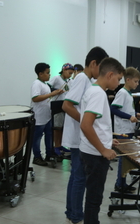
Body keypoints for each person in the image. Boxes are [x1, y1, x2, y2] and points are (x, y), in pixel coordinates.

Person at [62, 47, 109, 224]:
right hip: (78, 137)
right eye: (102, 67)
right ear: (93, 64)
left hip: (80, 135)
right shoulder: (82, 78)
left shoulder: (86, 80)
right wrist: (87, 123)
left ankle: (71, 210)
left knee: (76, 176)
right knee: (80, 178)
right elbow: (67, 106)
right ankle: (75, 214)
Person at [80, 57, 125, 224]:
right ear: (110, 75)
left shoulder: (93, 90)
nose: (119, 83)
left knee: (93, 196)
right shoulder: (98, 94)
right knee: (94, 198)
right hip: (95, 155)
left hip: (90, 150)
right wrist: (103, 149)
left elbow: (97, 125)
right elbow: (86, 125)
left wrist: (108, 140)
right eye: (119, 79)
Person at [110, 67, 140, 192]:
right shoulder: (122, 92)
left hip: (128, 128)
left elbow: (126, 108)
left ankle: (123, 183)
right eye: (135, 81)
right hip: (122, 130)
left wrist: (136, 113)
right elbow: (113, 109)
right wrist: (130, 117)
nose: (137, 83)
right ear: (127, 80)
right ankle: (119, 184)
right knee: (123, 159)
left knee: (126, 158)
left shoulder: (128, 93)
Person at [31, 63, 63, 166]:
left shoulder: (45, 84)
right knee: (37, 138)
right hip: (39, 117)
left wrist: (56, 93)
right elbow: (35, 98)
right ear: (40, 74)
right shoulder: (36, 83)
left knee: (49, 136)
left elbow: (47, 97)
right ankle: (37, 157)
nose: (49, 75)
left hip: (47, 116)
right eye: (47, 73)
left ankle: (49, 154)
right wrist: (51, 94)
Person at [48, 63, 74, 156]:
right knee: (57, 127)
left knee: (63, 127)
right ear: (64, 70)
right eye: (69, 73)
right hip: (57, 105)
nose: (70, 75)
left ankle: (61, 145)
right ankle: (56, 146)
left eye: (71, 73)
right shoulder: (56, 78)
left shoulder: (70, 81)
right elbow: (48, 88)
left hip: (66, 105)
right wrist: (55, 90)